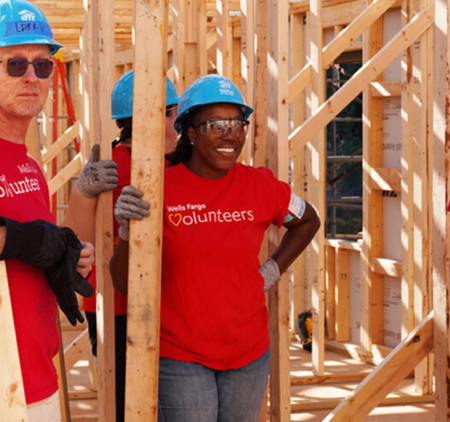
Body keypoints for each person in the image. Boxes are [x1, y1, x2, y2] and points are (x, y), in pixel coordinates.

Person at [110, 74, 320, 422]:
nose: (230, 135)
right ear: (189, 133)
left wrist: (271, 270)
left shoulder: (260, 185)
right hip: (180, 357)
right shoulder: (159, 188)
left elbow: (308, 220)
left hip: (249, 355)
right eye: (215, 124)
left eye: (238, 124)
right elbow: (122, 283)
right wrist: (126, 232)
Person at [64, 70, 180, 422]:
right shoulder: (124, 168)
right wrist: (84, 192)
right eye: (174, 114)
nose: (179, 125)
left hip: (145, 304)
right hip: (119, 306)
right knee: (130, 404)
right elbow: (74, 241)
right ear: (151, 117)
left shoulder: (164, 164)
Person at [0, 1, 95, 421]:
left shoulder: (27, 165)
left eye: (43, 66)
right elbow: (25, 240)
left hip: (36, 380)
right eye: (15, 63)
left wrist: (66, 255)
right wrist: (31, 240)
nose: (30, 76)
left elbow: (36, 253)